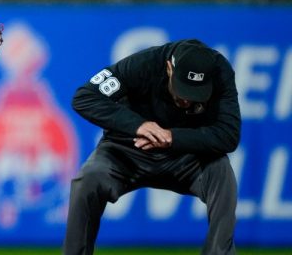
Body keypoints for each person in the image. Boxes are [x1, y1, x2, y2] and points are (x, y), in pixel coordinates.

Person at [64, 39, 241, 255]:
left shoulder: (220, 72)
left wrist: (172, 137)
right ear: (169, 68)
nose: (187, 100)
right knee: (88, 179)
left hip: (186, 157)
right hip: (126, 151)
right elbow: (85, 97)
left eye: (195, 94)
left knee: (222, 175)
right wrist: (138, 125)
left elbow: (229, 135)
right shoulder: (145, 63)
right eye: (182, 89)